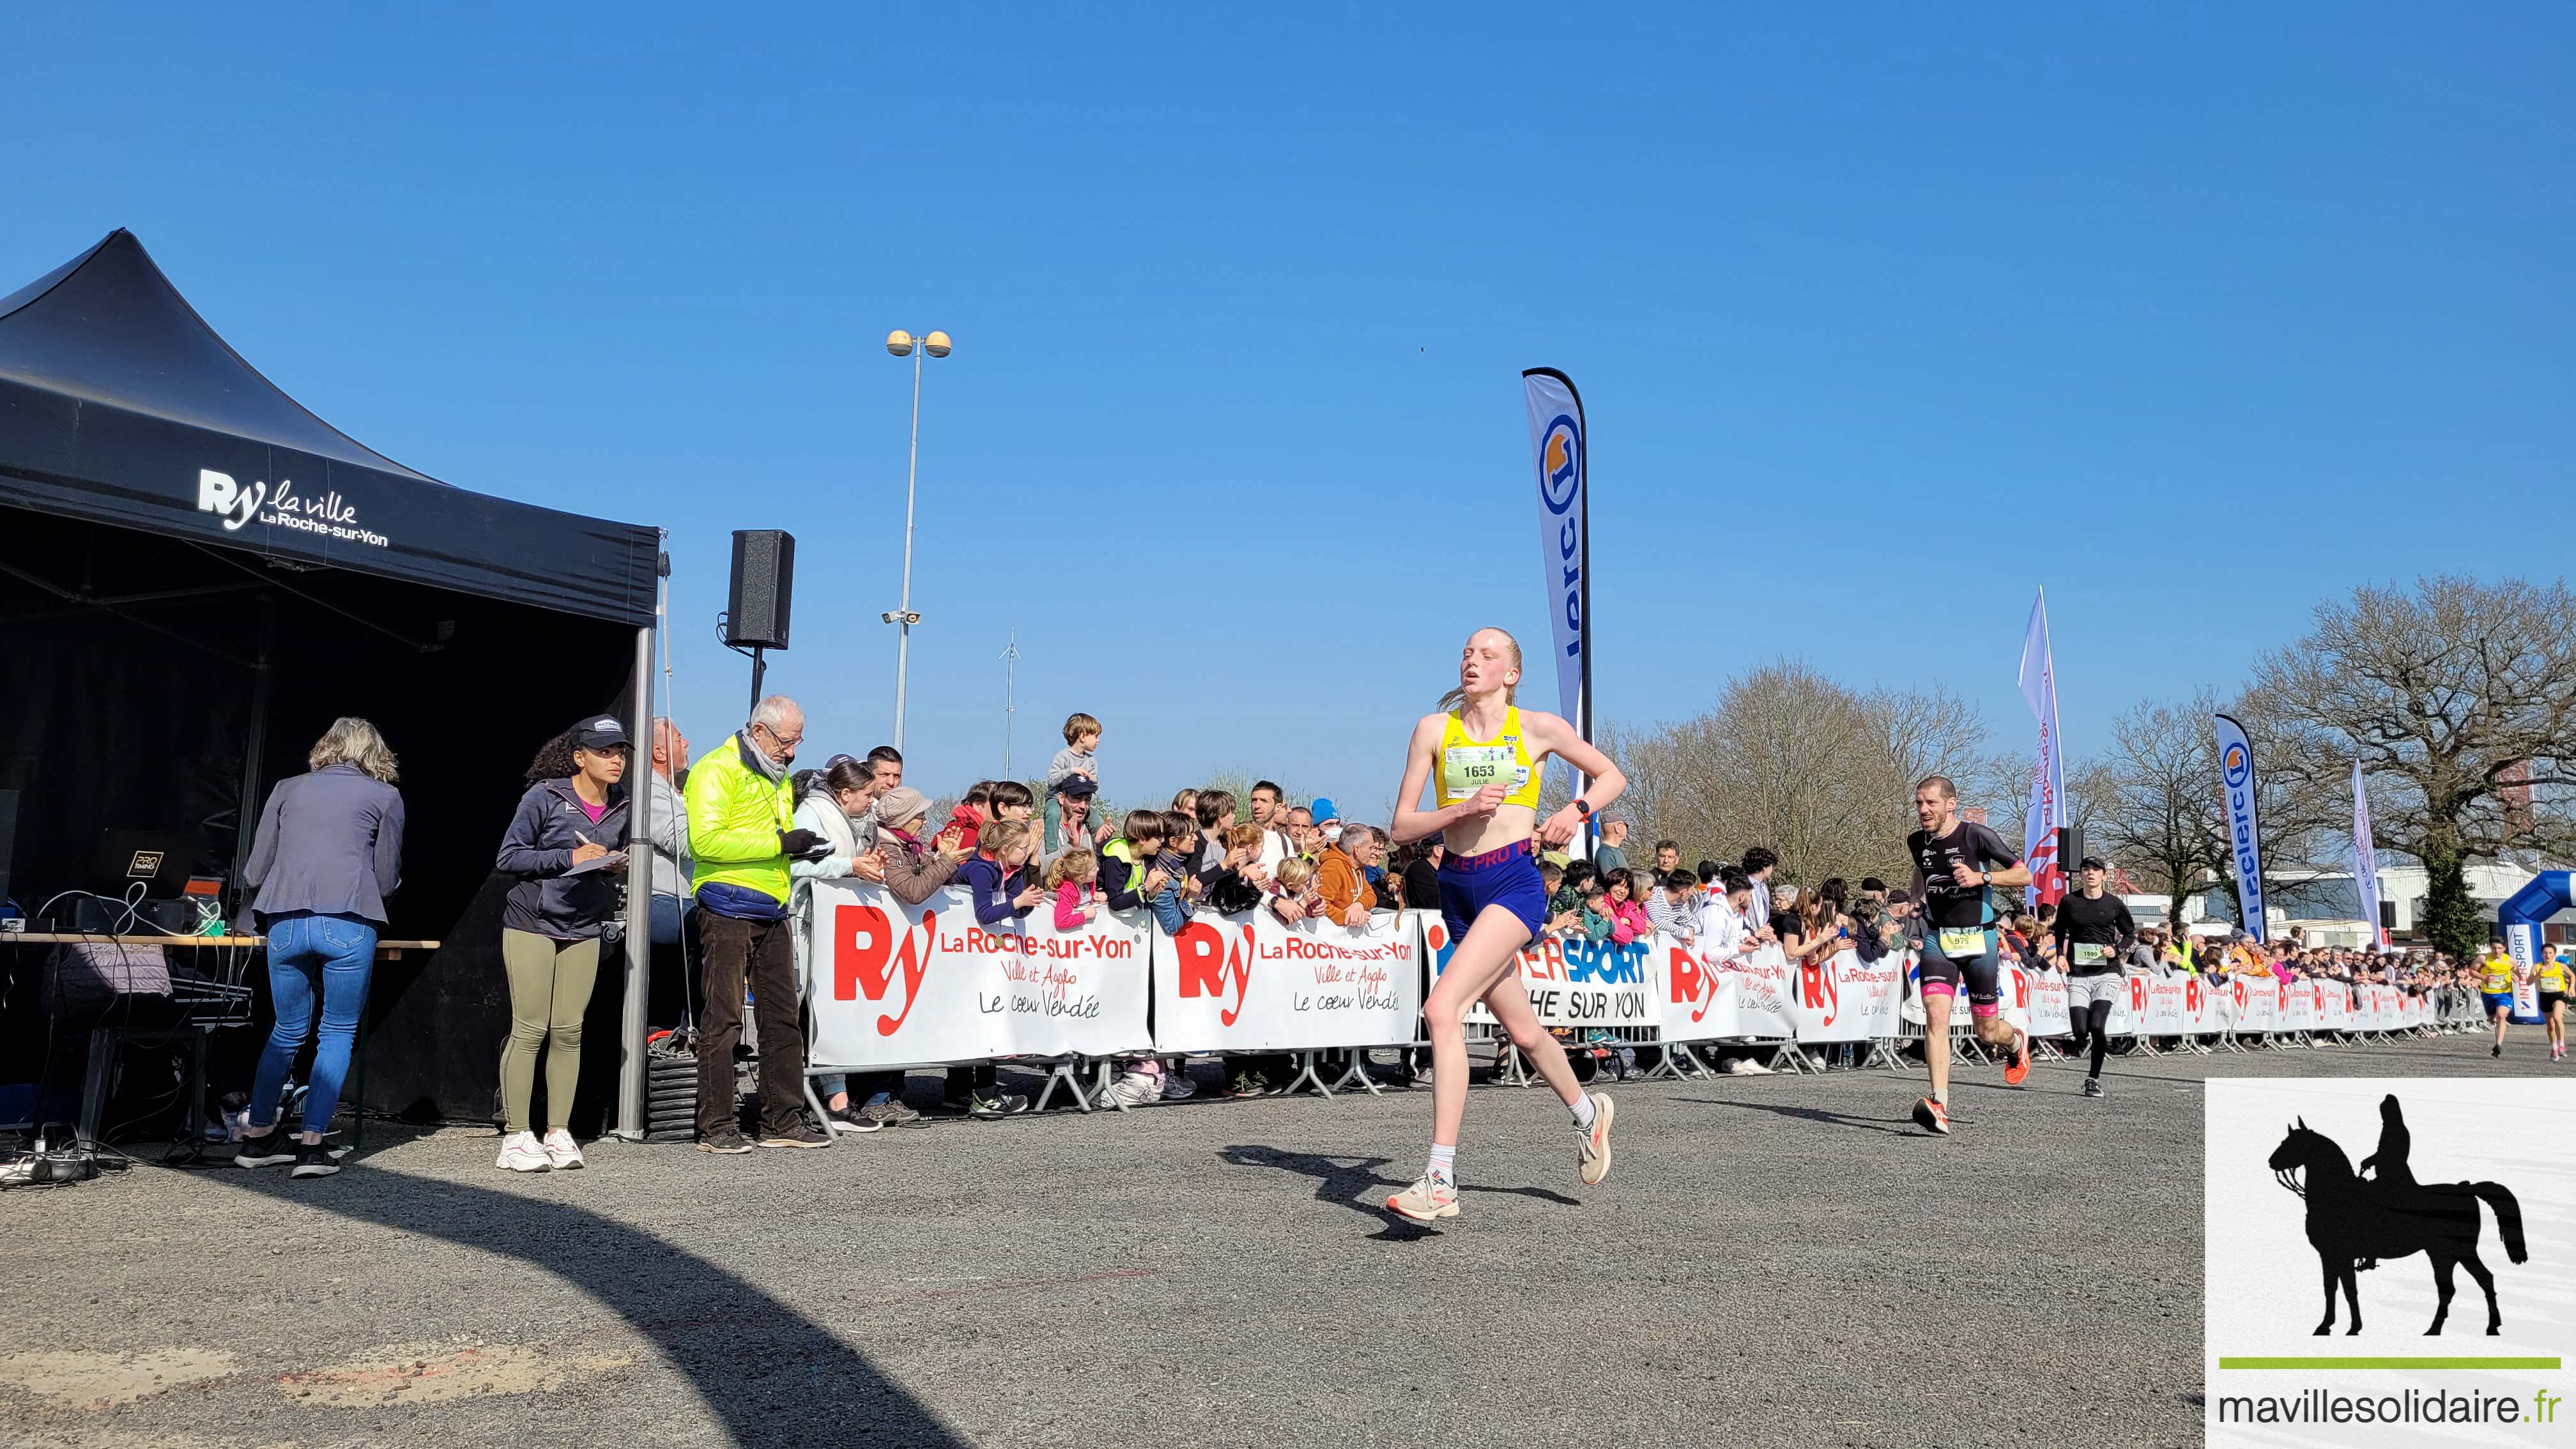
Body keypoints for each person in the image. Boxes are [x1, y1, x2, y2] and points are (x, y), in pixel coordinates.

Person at [1384, 626, 1628, 1223]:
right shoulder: (1433, 730)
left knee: (1442, 1010)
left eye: (1488, 654)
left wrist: (1575, 812)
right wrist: (1461, 810)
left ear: (1511, 673)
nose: (1473, 660)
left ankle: (1441, 1177)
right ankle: (1588, 1115)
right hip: (1457, 889)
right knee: (1522, 1032)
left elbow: (1613, 777)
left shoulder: (1537, 727)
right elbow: (1401, 827)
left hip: (1513, 882)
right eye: (1467, 651)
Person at [232, 717, 406, 1180]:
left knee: (286, 1030)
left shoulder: (287, 788)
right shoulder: (385, 796)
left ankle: (259, 1136)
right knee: (337, 1032)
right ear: (374, 754)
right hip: (348, 920)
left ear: (325, 747)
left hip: (284, 921)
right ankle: (312, 1146)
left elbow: (254, 871)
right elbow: (386, 877)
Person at [685, 695, 831, 1153]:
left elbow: (772, 843)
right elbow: (704, 841)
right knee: (724, 1020)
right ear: (761, 732)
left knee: (783, 1019)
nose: (792, 752)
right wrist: (779, 842)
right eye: (787, 742)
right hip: (726, 904)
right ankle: (716, 1126)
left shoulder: (777, 777)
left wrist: (797, 848)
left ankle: (782, 1120)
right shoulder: (716, 768)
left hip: (772, 906)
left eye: (798, 743)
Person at [491, 716, 633, 1172]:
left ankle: (557, 1131)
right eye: (605, 751)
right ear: (579, 757)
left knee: (569, 1030)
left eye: (621, 752)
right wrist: (569, 857)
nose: (616, 760)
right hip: (531, 922)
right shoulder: (545, 796)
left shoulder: (623, 804)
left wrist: (613, 866)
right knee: (530, 1028)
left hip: (584, 926)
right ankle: (515, 1136)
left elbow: (614, 859)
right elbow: (509, 857)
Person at [817, 785, 954, 1129]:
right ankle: (876, 1097)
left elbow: (922, 880)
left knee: (898, 1020)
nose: (924, 821)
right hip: (877, 948)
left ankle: (888, 1094)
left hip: (896, 946)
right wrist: (947, 862)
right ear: (901, 819)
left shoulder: (909, 848)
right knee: (880, 1019)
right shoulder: (889, 850)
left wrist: (941, 860)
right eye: (919, 815)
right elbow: (913, 891)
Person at [1905, 774, 2033, 1134]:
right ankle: (1939, 1103)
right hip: (1939, 938)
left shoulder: (1977, 836)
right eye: (1919, 803)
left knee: (1987, 1032)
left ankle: (2016, 1041)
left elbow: (2024, 875)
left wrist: (1983, 879)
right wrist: (1917, 898)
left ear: (1950, 804)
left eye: (1930, 803)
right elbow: (1922, 868)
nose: (1924, 810)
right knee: (1935, 1016)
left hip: (1981, 940)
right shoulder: (1918, 841)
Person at [948, 820, 1045, 1116]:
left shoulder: (1008, 868)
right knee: (978, 1020)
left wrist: (1031, 869)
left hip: (988, 956)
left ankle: (985, 1093)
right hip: (961, 952)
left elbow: (1024, 906)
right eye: (1023, 848)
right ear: (1004, 850)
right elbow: (985, 913)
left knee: (991, 1018)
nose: (1027, 852)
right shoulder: (980, 869)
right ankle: (978, 1095)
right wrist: (1018, 902)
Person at [2053, 855, 2136, 1099]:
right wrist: (2060, 955)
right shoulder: (2069, 901)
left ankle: (2093, 1079)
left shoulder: (2114, 903)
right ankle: (2087, 1022)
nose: (2090, 873)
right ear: (2081, 875)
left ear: (2104, 876)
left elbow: (2130, 934)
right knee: (2080, 1031)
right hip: (2078, 974)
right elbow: (2059, 931)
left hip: (2106, 973)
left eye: (2095, 870)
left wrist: (2117, 949)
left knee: (2097, 1026)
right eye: (2086, 870)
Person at [645, 718, 693, 953]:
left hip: (681, 898)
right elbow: (682, 841)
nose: (687, 743)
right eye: (678, 739)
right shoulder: (651, 789)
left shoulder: (671, 791)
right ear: (659, 753)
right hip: (663, 899)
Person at [1044, 712, 1103, 854]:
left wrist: (1093, 780)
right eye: (1095, 736)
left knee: (1097, 819)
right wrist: (1071, 771)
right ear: (1082, 737)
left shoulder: (1091, 761)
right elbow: (1052, 780)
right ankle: (1051, 850)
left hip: (1079, 798)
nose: (1098, 741)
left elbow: (1094, 784)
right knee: (1052, 815)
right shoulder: (1062, 757)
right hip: (1056, 798)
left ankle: (1101, 848)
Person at [2479, 942, 2517, 1057]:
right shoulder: (2483, 959)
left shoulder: (2512, 961)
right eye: (2494, 948)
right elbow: (2472, 971)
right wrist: (2484, 977)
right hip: (2488, 994)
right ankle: (2496, 1027)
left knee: (2501, 1016)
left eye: (2499, 948)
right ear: (2491, 948)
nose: (2497, 950)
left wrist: (2517, 978)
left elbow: (2517, 974)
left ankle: (2498, 1045)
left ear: (2504, 949)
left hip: (2505, 994)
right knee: (2493, 1020)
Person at [2539, 949, 2568, 1062]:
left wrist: (2570, 987)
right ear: (2542, 954)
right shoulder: (2538, 967)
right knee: (2550, 1025)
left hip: (2559, 995)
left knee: (2557, 1017)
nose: (2548, 955)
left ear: (2555, 955)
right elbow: (2529, 981)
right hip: (2545, 996)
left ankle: (2561, 1045)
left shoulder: (2561, 965)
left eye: (2550, 953)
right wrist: (2536, 975)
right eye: (2545, 953)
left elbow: (2571, 976)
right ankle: (2554, 1049)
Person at [1742, 846, 1778, 926]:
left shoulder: (1763, 887)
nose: (1772, 870)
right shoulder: (1742, 885)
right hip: (1746, 935)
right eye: (1771, 866)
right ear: (1765, 867)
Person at [1591, 814, 1630, 878]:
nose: (1627, 829)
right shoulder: (1606, 853)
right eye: (1626, 826)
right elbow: (1613, 883)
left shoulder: (1611, 851)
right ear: (1617, 828)